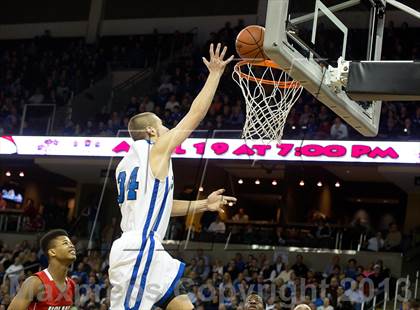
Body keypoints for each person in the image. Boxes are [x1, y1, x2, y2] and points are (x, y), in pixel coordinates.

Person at [109, 43, 236, 310]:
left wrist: (203, 205)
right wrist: (214, 74)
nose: (168, 129)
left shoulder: (126, 164)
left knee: (183, 305)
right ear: (153, 133)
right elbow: (195, 115)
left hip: (149, 249)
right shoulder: (156, 150)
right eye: (163, 125)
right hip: (139, 249)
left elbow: (162, 206)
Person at [8, 229, 77, 309]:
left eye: (71, 243)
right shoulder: (35, 282)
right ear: (52, 252)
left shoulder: (72, 285)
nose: (72, 246)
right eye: (65, 243)